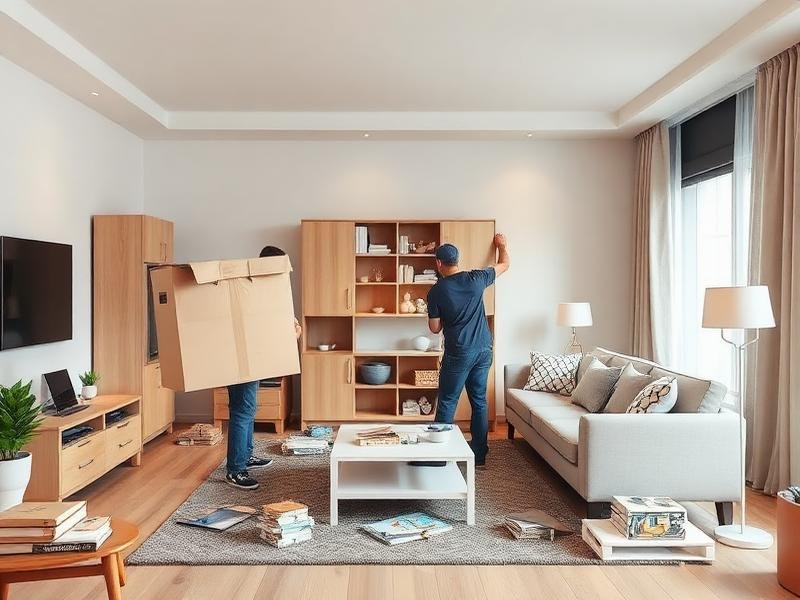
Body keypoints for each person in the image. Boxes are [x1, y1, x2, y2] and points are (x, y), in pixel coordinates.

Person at [425, 234, 510, 467]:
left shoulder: (436, 291)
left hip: (459, 353)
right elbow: (505, 264)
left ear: (439, 263)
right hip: (484, 349)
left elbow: (434, 328)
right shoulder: (477, 278)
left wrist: (443, 316)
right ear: (458, 261)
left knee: (447, 401)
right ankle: (479, 455)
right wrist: (502, 246)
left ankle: (438, 460)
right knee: (479, 401)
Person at [225, 245, 302, 490]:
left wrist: (292, 327)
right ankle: (236, 469)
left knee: (248, 406)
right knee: (242, 409)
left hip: (252, 358)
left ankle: (245, 455)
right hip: (241, 358)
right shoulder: (247, 287)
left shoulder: (264, 289)